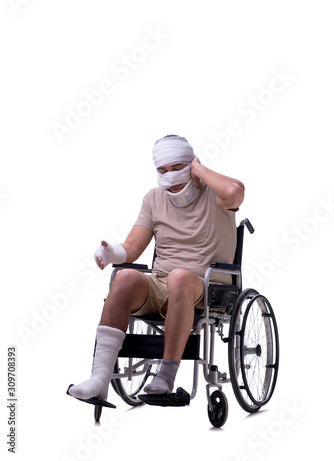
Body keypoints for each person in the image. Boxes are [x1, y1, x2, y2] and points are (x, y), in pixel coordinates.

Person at [67, 134, 244, 401]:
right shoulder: (153, 199)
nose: (170, 177)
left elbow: (235, 191)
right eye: (162, 170)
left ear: (191, 165)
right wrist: (109, 252)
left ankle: (166, 374)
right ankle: (99, 379)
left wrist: (198, 169)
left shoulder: (216, 197)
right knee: (125, 277)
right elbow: (132, 247)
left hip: (207, 286)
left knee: (180, 278)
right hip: (162, 282)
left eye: (177, 168)